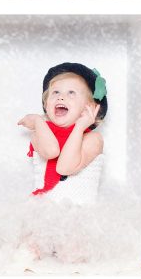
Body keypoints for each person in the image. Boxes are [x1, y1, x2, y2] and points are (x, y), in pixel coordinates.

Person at [18, 62, 107, 197]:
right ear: (46, 105)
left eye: (71, 92)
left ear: (88, 107)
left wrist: (79, 128)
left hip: (81, 213)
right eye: (55, 92)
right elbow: (51, 151)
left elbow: (64, 168)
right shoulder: (39, 132)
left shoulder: (93, 139)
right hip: (43, 207)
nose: (61, 96)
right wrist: (38, 121)